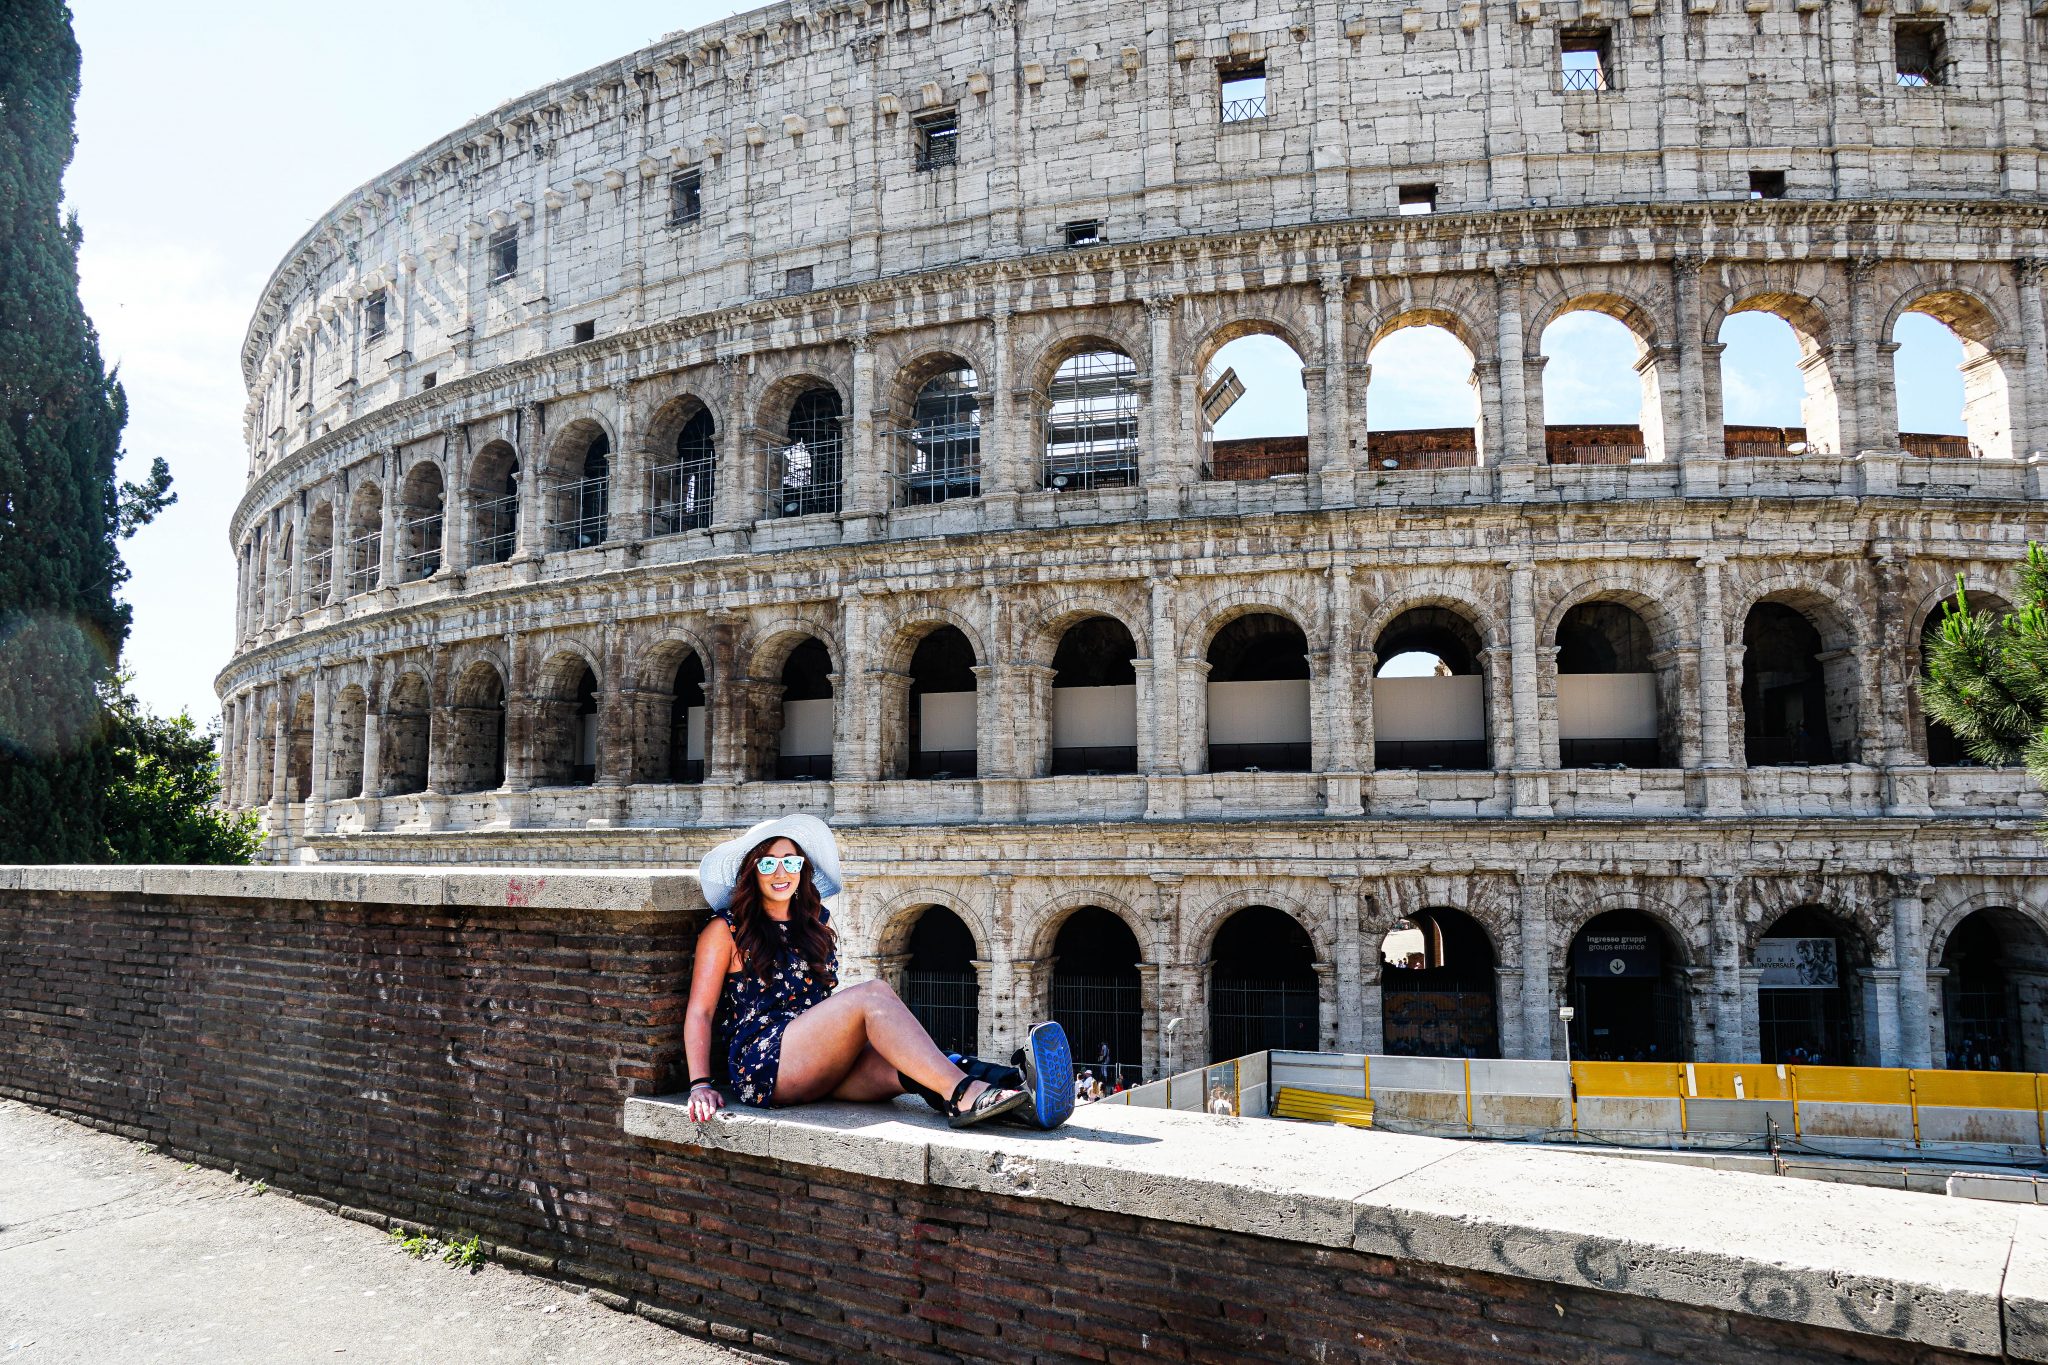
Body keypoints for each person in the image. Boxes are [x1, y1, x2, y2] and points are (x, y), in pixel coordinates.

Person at [682, 814, 1031, 1128]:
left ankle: (1016, 1091)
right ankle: (963, 1096)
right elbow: (701, 1011)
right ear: (751, 870)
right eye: (768, 864)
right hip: (765, 1067)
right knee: (873, 994)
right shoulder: (727, 930)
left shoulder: (816, 923)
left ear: (802, 868)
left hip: (820, 1063)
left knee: (908, 1068)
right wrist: (700, 1084)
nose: (781, 872)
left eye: (790, 861)